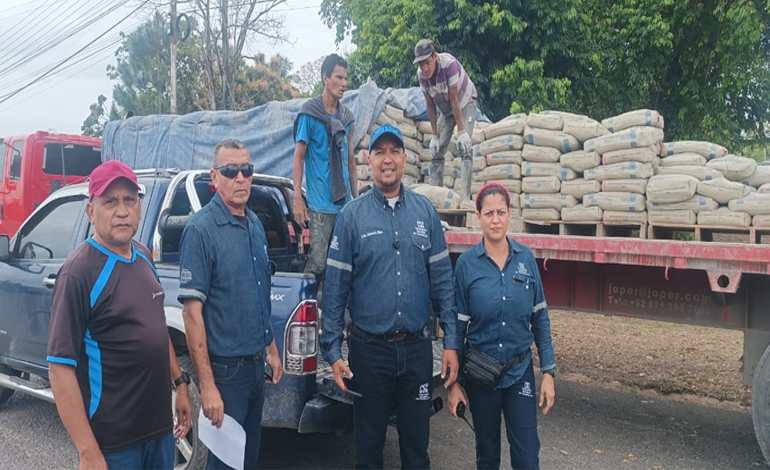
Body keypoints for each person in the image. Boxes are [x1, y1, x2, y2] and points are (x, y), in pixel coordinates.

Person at [320, 123, 461, 469]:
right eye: (380, 151)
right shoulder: (352, 216)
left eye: (394, 151)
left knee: (417, 450)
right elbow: (336, 289)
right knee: (368, 451)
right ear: (369, 159)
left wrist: (453, 342)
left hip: (415, 351)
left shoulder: (424, 213)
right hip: (369, 353)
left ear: (405, 158)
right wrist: (333, 351)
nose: (387, 159)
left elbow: (442, 281)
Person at [47, 160, 192, 470]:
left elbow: (155, 328)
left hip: (159, 433)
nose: (122, 210)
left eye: (130, 200)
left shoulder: (142, 256)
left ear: (140, 207)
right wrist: (88, 452)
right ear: (91, 211)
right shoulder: (78, 273)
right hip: (113, 444)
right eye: (110, 201)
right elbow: (60, 370)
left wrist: (180, 383)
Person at [178, 139, 284, 470]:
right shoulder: (201, 230)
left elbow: (258, 290)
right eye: (230, 171)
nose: (240, 178)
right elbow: (192, 314)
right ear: (215, 176)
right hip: (226, 374)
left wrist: (272, 348)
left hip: (256, 368)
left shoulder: (253, 225)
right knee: (225, 464)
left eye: (247, 170)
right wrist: (207, 388)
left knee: (248, 461)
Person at [448, 182, 556, 470]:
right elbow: (457, 329)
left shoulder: (526, 260)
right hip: (482, 376)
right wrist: (455, 384)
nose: (495, 220)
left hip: (519, 372)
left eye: (501, 212)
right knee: (487, 454)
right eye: (488, 213)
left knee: (527, 456)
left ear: (510, 215)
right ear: (478, 216)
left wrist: (548, 373)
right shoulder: (467, 266)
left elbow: (540, 319)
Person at [292, 53, 357, 304]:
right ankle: (301, 307)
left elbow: (350, 161)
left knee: (343, 266)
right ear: (325, 78)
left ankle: (335, 319)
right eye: (339, 77)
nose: (344, 83)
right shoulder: (309, 114)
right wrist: (299, 198)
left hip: (344, 205)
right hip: (319, 205)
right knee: (318, 260)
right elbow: (299, 157)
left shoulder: (347, 118)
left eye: (346, 78)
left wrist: (356, 200)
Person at [414, 38, 478, 201]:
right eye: (421, 65)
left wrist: (462, 132)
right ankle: (436, 198)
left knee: (465, 147)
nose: (425, 68)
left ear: (435, 56)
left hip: (464, 102)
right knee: (436, 151)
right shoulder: (422, 76)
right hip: (447, 109)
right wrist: (435, 136)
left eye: (427, 62)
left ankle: (465, 199)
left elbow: (454, 99)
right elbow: (430, 105)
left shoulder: (449, 65)